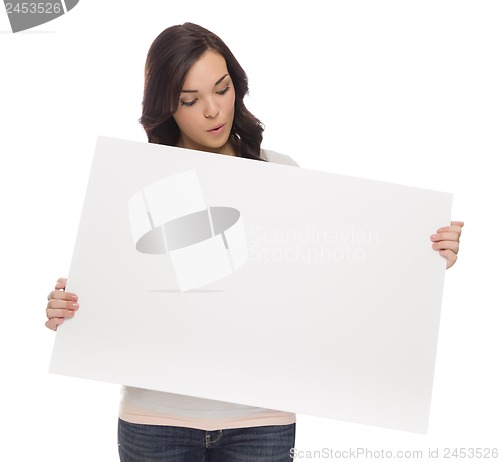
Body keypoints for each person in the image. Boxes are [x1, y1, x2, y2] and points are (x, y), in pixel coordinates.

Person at [45, 23, 464, 461]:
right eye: (190, 100)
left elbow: (335, 278)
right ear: (166, 107)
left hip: (260, 421)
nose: (213, 110)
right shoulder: (135, 182)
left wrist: (423, 258)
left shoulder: (280, 174)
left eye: (222, 89)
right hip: (156, 420)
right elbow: (114, 289)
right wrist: (72, 313)